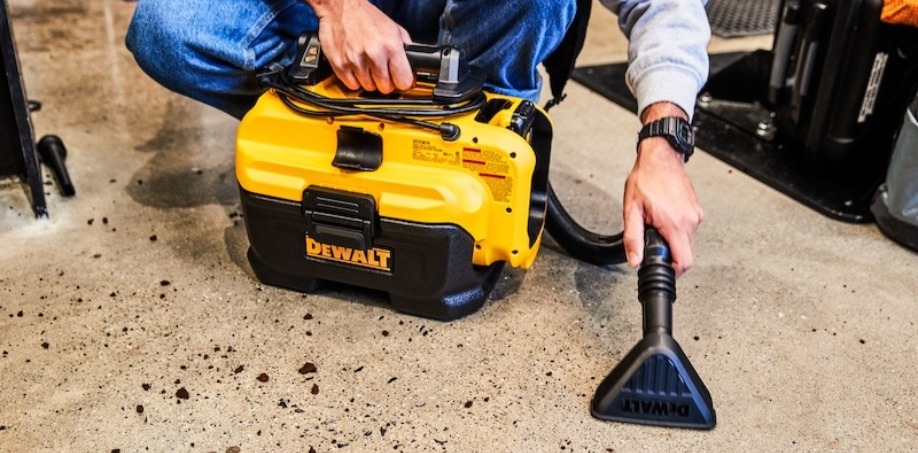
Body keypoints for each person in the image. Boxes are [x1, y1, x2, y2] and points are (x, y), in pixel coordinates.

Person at [125, 0, 709, 277]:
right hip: (353, 18)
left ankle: (476, 158)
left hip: (481, 30)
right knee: (168, 29)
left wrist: (662, 141)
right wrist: (339, 8)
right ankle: (327, 128)